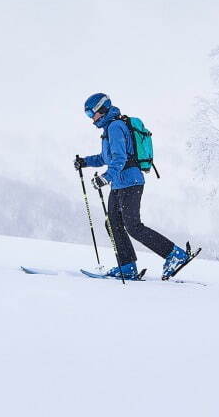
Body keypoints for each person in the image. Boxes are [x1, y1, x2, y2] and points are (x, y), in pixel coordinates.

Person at [76, 92, 194, 280]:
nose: (91, 118)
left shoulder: (115, 127)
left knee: (133, 226)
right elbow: (105, 158)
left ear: (102, 109)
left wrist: (106, 177)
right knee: (113, 223)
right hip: (119, 184)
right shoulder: (108, 129)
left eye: (91, 113)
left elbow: (120, 158)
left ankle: (175, 255)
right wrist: (85, 162)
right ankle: (127, 266)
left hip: (130, 182)